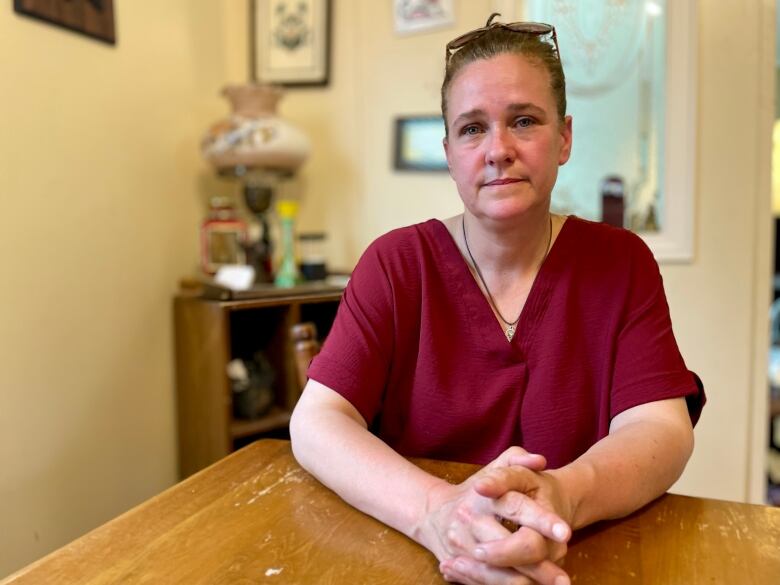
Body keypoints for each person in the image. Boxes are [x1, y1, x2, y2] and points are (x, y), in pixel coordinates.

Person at [290, 13, 705, 585]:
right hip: (414, 556)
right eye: (472, 128)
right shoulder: (393, 264)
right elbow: (316, 421)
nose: (497, 149)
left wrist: (564, 496)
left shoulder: (621, 262)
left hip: (572, 556)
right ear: (449, 151)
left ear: (563, 138)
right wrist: (436, 511)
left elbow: (662, 429)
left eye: (524, 121)